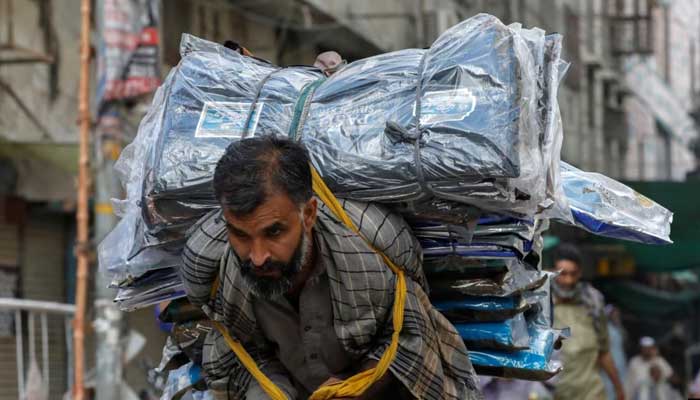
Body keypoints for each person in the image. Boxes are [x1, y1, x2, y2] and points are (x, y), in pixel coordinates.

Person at [180, 136, 481, 399]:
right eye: (241, 235)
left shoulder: (373, 250)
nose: (257, 257)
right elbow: (246, 353)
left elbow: (408, 335)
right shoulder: (221, 279)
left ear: (308, 214)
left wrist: (357, 388)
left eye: (274, 232)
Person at [550, 243, 625, 400]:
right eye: (563, 274)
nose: (568, 280)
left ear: (580, 274)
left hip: (590, 392)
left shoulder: (593, 301)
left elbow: (604, 352)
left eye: (573, 274)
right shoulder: (541, 301)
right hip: (552, 393)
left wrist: (619, 390)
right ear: (553, 272)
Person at [602, 305, 628, 400]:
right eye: (614, 314)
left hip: (620, 365)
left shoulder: (618, 329)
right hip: (609, 366)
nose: (616, 316)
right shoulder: (605, 329)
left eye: (617, 314)